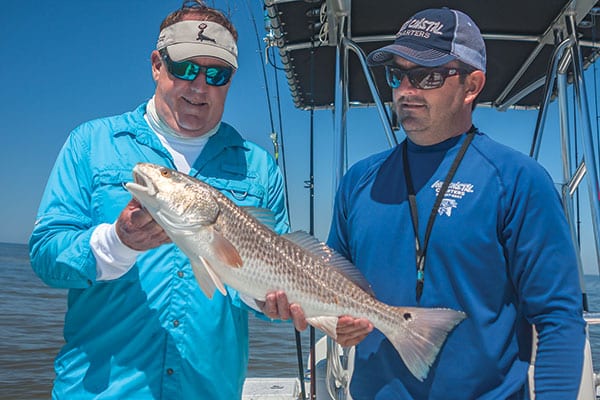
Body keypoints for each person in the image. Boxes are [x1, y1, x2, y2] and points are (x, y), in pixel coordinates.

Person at [317, 7, 586, 400]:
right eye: (398, 74)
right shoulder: (359, 182)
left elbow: (558, 318)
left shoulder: (518, 180)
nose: (406, 89)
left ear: (472, 85)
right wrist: (332, 322)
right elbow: (330, 289)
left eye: (426, 75)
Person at [29, 1, 290, 399]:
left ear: (231, 80)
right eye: (185, 68)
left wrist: (275, 305)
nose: (199, 86)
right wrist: (117, 242)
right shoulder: (91, 144)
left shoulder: (259, 168)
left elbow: (270, 287)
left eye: (217, 74)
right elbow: (47, 255)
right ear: (156, 64)